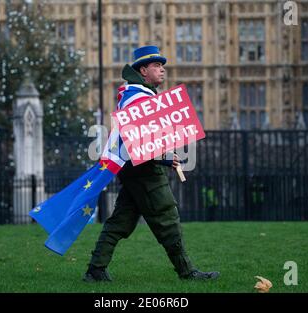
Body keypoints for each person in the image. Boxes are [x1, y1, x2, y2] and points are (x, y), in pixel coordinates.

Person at [83, 46, 219, 282]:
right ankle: (187, 272)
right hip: (144, 171)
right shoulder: (138, 98)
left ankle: (95, 270)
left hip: (135, 170)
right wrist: (164, 159)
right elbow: (136, 140)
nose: (162, 69)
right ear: (143, 70)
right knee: (167, 218)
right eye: (157, 65)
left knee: (120, 223)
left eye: (161, 65)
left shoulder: (136, 94)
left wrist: (165, 156)